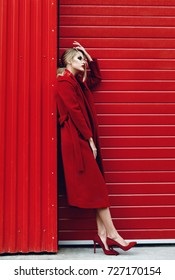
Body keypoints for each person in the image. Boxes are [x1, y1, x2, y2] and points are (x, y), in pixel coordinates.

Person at [55, 41, 136, 255]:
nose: (83, 62)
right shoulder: (64, 83)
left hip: (83, 138)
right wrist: (89, 139)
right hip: (77, 140)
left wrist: (89, 57)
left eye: (84, 59)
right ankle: (113, 235)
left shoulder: (77, 82)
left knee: (97, 189)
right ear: (69, 61)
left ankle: (102, 236)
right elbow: (74, 112)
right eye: (80, 58)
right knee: (98, 189)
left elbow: (96, 79)